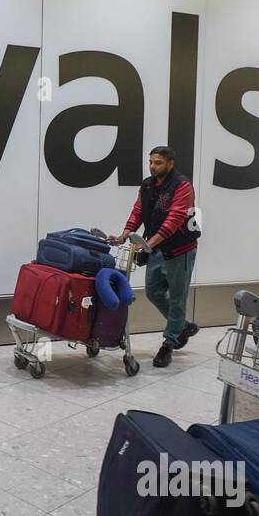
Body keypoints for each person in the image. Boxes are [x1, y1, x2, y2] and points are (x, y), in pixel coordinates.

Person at [111, 146, 200, 368]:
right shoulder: (147, 184)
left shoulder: (182, 186)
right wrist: (125, 234)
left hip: (180, 248)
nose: (152, 166)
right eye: (150, 162)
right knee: (153, 291)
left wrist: (147, 244)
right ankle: (182, 326)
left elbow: (174, 219)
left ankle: (169, 343)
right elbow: (139, 210)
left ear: (170, 163)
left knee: (178, 296)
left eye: (158, 163)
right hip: (156, 246)